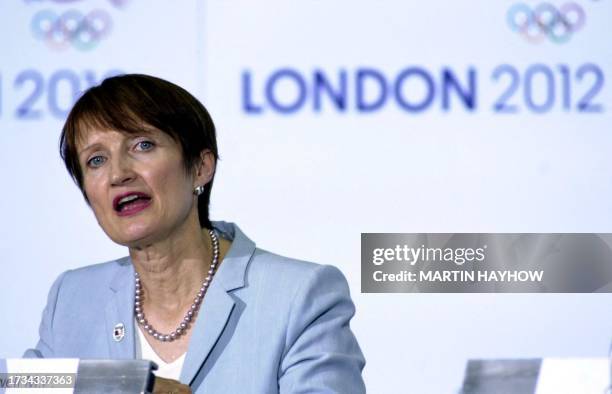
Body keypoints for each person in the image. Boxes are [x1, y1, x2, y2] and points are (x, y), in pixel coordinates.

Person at [24, 74, 366, 393]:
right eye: (96, 160)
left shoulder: (299, 295)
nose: (118, 174)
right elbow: (21, 385)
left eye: (142, 145)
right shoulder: (73, 297)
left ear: (201, 167)